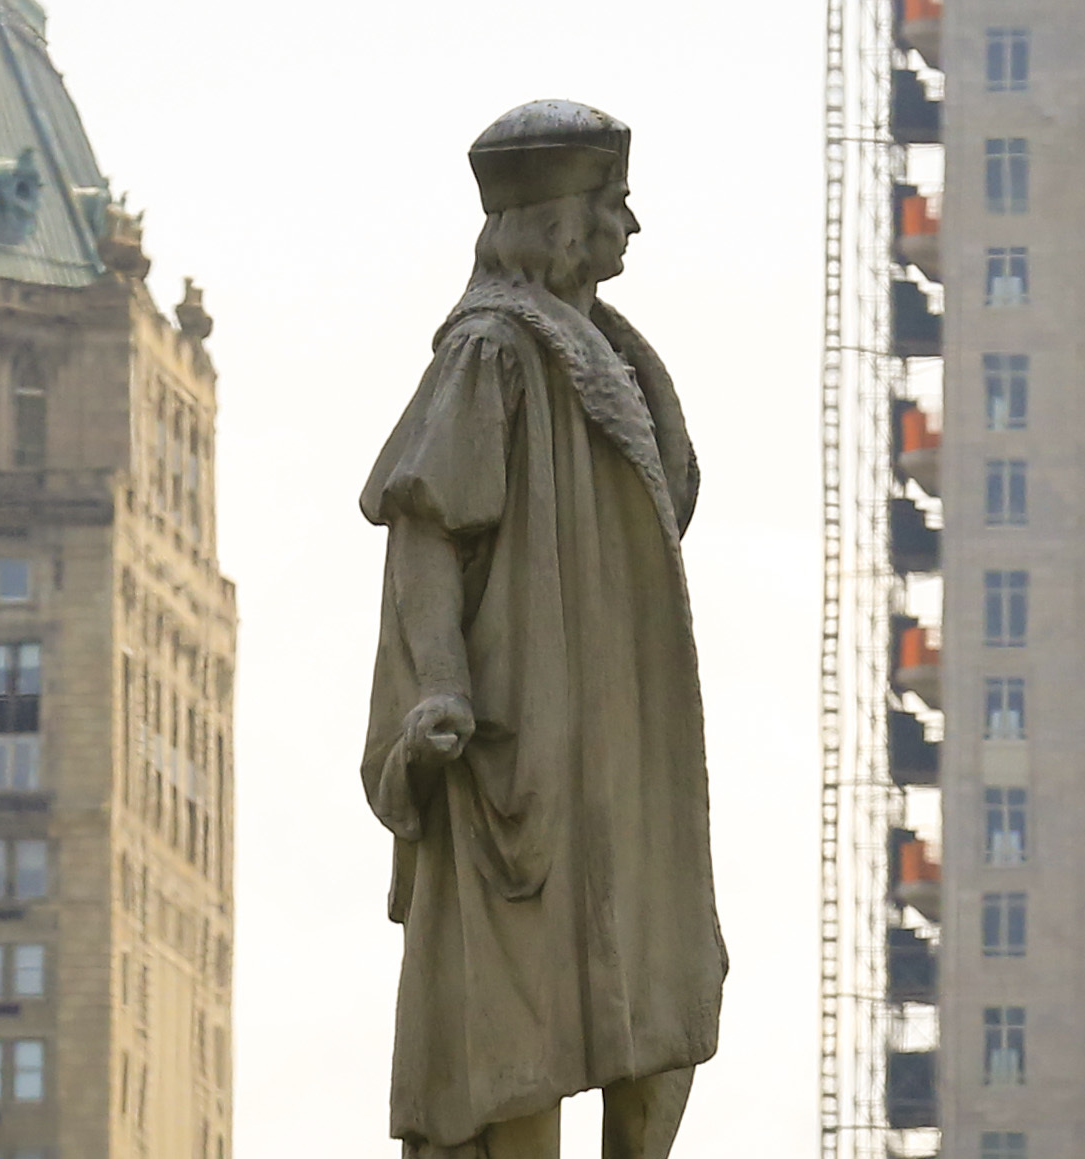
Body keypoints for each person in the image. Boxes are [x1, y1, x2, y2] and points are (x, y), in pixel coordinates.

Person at [359, 100, 726, 1159]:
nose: (631, 227)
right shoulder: (490, 349)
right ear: (562, 218)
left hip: (625, 733)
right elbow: (425, 521)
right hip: (528, 733)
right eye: (614, 203)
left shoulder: (604, 347)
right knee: (525, 1014)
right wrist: (439, 686)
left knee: (664, 989)